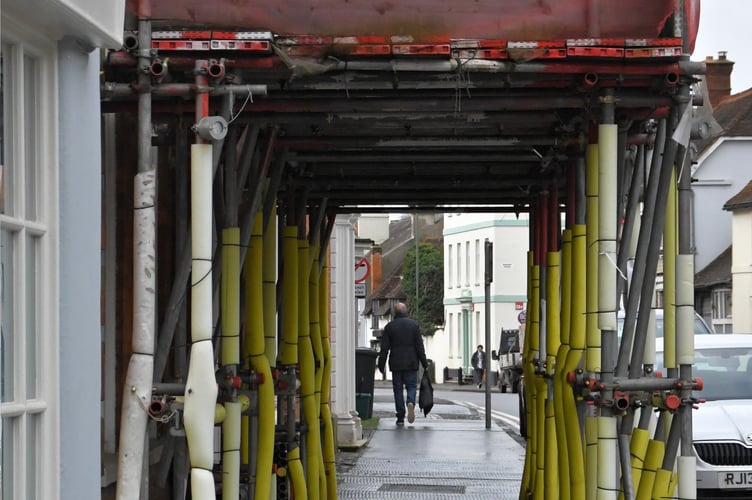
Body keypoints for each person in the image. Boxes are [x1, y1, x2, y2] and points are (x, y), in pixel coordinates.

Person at [377, 302, 428, 425]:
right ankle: (410, 401)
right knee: (411, 386)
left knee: (398, 390)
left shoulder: (389, 327)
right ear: (407, 312)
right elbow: (419, 347)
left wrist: (381, 364)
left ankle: (400, 416)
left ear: (395, 313)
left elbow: (384, 348)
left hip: (396, 363)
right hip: (411, 362)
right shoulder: (414, 325)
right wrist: (424, 362)